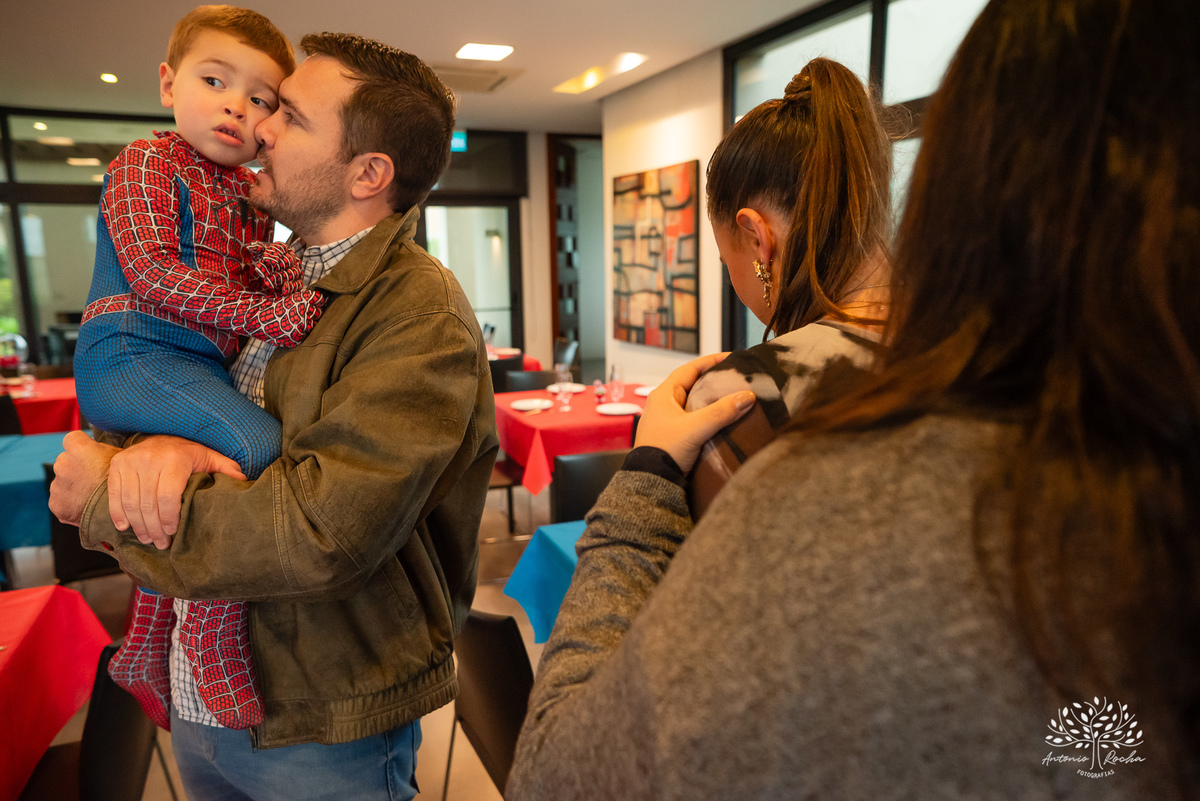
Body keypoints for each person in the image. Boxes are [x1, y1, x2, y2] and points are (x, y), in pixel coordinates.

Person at [507, 0, 1195, 798]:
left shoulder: (752, 404)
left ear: (757, 240)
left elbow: (567, 772)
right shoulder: (1113, 473)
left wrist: (650, 471)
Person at [51, 31, 497, 801]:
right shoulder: (271, 280)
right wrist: (154, 445)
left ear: (368, 172)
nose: (260, 128)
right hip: (202, 688)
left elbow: (320, 533)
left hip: (321, 719)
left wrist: (106, 498)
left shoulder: (417, 310)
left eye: (288, 114)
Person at [73, 4, 320, 734]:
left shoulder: (247, 194)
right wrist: (267, 314)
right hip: (132, 351)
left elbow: (244, 273)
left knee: (192, 484)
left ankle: (148, 639)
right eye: (215, 80)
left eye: (259, 99)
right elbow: (150, 269)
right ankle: (209, 637)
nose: (235, 106)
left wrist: (276, 265)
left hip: (189, 364)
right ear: (166, 83)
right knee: (259, 447)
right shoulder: (144, 163)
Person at [682, 57, 892, 517]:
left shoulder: (739, 398)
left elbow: (680, 585)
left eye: (725, 260)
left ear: (758, 239)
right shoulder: (970, 347)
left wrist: (649, 464)